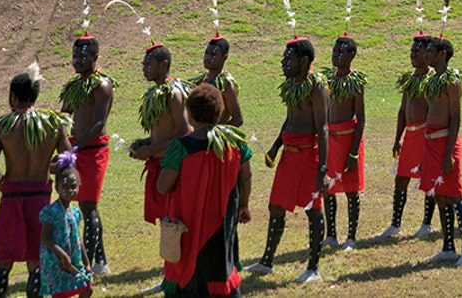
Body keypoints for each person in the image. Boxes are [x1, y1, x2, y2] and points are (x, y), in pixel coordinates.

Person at [0, 65, 73, 298]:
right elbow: (67, 159)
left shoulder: (2, 126)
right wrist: (47, 167)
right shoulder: (53, 123)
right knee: (37, 262)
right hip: (41, 200)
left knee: (3, 262)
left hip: (11, 199)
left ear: (13, 96)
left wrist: (1, 178)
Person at [156, 84, 252, 298]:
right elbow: (246, 177)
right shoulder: (236, 143)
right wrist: (244, 205)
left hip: (188, 226)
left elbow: (163, 187)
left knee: (189, 269)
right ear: (218, 114)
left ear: (190, 114)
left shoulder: (181, 147)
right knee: (221, 267)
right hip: (222, 221)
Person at [249, 37, 327, 284]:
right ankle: (267, 261)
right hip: (288, 156)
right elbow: (289, 120)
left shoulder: (317, 87)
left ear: (304, 61)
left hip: (309, 156)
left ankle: (313, 268)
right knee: (276, 206)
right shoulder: (293, 84)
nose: (283, 62)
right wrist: (274, 147)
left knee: (313, 210)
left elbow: (323, 128)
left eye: (288, 58)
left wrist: (323, 168)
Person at [58, 34, 114, 275]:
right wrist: (60, 143)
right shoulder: (75, 85)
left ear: (95, 57)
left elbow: (98, 124)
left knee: (88, 206)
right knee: (83, 204)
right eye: (75, 56)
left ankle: (88, 264)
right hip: (76, 149)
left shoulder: (102, 85)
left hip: (92, 151)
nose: (77, 60)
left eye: (83, 56)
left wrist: (75, 147)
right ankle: (100, 262)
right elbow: (63, 116)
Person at [419, 35, 462, 265]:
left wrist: (448, 153)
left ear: (443, 54)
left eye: (431, 50)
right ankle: (448, 247)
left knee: (454, 196)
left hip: (445, 143)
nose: (426, 54)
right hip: (431, 143)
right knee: (439, 195)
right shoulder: (434, 80)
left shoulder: (452, 80)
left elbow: (455, 118)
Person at [375, 32, 437, 238]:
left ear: (427, 54)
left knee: (427, 178)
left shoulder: (431, 80)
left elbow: (432, 111)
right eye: (411, 51)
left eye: (417, 51)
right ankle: (395, 224)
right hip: (410, 135)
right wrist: (397, 138)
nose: (412, 55)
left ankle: (427, 223)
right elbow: (402, 111)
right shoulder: (410, 79)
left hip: (425, 135)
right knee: (401, 179)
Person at [129, 45, 192, 228]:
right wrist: (144, 142)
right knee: (167, 220)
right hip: (159, 163)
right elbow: (166, 131)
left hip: (171, 165)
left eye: (149, 64)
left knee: (174, 219)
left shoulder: (173, 93)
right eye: (143, 64)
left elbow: (184, 132)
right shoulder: (155, 94)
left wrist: (150, 149)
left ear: (164, 64)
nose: (144, 69)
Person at [321, 34, 367, 251]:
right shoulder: (328, 80)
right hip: (330, 139)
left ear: (351, 55)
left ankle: (351, 237)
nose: (335, 55)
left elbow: (361, 119)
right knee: (328, 188)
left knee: (350, 190)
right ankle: (331, 234)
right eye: (333, 51)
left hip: (348, 140)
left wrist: (354, 152)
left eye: (340, 52)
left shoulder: (355, 82)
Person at [39, 154, 92, 298]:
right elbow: (45, 237)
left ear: (79, 185)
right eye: (65, 187)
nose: (69, 191)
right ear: (57, 187)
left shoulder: (75, 213)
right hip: (56, 262)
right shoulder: (52, 212)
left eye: (73, 187)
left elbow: (78, 238)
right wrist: (62, 256)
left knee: (87, 288)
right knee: (62, 293)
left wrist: (86, 262)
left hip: (72, 261)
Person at [191, 31, 244, 128]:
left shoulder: (226, 84)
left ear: (225, 57)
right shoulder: (201, 80)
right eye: (206, 53)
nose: (207, 58)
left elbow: (238, 120)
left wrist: (215, 133)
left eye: (213, 55)